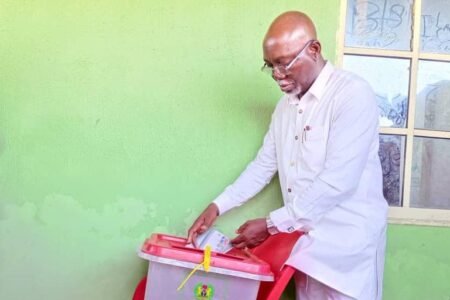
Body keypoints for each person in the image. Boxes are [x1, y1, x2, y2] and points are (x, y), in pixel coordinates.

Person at [187, 11, 388, 300]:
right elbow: (264, 165)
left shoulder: (352, 95)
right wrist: (218, 206)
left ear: (314, 50)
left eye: (284, 64)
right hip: (305, 250)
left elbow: (338, 181)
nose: (277, 76)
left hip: (349, 254)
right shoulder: (285, 108)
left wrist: (270, 225)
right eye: (270, 67)